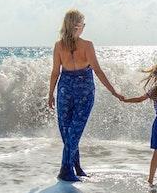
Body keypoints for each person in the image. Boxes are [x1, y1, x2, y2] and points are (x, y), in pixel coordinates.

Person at [48, 9, 121, 181]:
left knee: (69, 131)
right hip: (84, 90)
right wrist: (113, 91)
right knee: (73, 131)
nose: (84, 27)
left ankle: (76, 167)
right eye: (83, 24)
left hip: (65, 88)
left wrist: (50, 93)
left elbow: (55, 73)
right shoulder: (87, 45)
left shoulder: (59, 45)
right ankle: (65, 169)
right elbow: (97, 70)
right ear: (77, 26)